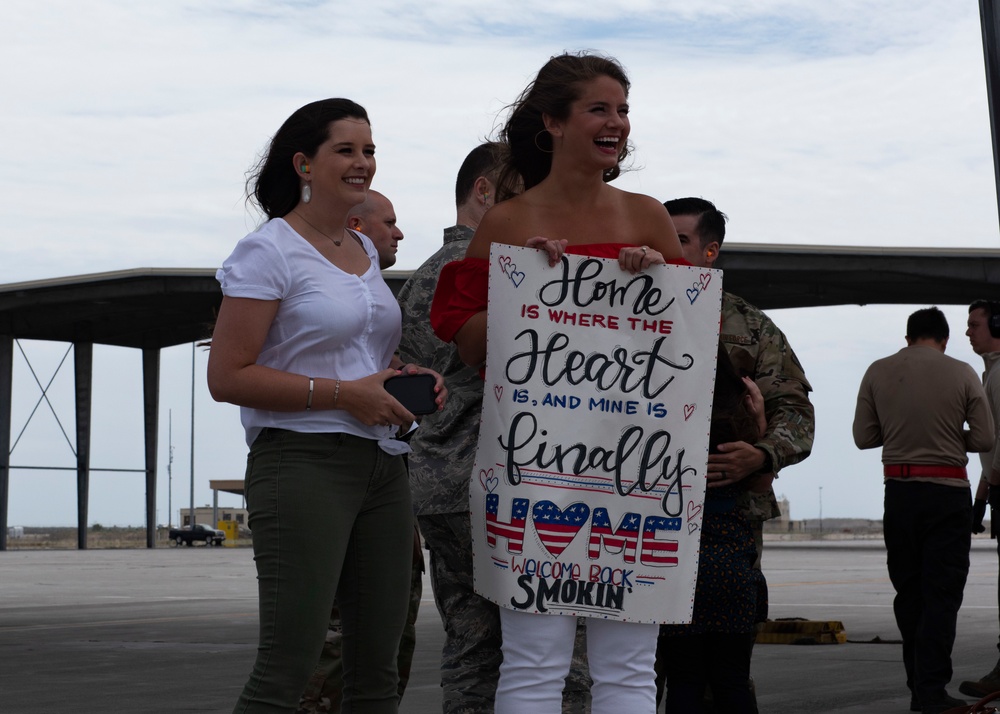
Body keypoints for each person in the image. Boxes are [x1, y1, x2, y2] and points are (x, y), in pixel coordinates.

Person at [430, 52, 685, 714]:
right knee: (536, 660)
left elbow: (689, 342)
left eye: (623, 109)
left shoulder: (650, 218)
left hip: (635, 470)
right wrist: (531, 291)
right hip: (537, 471)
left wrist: (657, 278)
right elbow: (471, 347)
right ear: (553, 122)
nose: (617, 123)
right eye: (599, 108)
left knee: (630, 666)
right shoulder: (508, 225)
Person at [206, 98, 446, 714]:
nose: (362, 162)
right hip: (302, 463)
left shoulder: (362, 252)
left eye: (368, 150)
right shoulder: (268, 251)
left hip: (382, 467)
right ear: (303, 164)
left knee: (379, 670)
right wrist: (347, 394)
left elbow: (358, 358)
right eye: (345, 149)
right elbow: (227, 376)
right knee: (287, 669)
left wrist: (402, 380)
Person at [655, 197, 815, 709]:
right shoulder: (619, 314)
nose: (666, 248)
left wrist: (762, 455)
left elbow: (795, 410)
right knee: (641, 667)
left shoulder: (749, 326)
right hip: (641, 518)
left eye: (679, 239)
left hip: (728, 518)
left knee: (723, 672)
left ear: (710, 251)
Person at [297, 190, 423, 714]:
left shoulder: (379, 306)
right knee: (323, 658)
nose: (398, 233)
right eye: (388, 222)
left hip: (387, 476)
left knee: (386, 655)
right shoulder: (316, 290)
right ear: (354, 224)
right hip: (330, 479)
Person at [853, 307, 994, 714]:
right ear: (944, 339)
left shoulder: (878, 370)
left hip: (899, 493)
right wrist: (951, 434)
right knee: (942, 595)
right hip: (947, 494)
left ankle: (919, 688)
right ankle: (932, 690)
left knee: (910, 593)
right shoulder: (963, 372)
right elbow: (985, 438)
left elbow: (864, 437)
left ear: (908, 337)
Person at [657, 346, 768, 714]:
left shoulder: (662, 420)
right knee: (732, 679)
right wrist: (761, 419)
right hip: (732, 566)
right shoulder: (734, 422)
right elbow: (760, 483)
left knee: (684, 679)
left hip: (680, 565)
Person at [960, 299, 1000, 699]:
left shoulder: (999, 375)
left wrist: (991, 487)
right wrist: (983, 494)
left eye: (974, 324)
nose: (968, 331)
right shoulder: (991, 372)